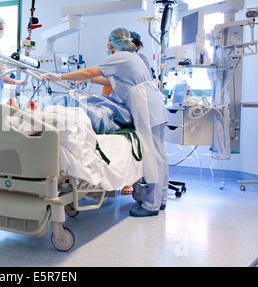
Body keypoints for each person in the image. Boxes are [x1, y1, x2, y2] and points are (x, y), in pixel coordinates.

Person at [40, 28, 169, 217]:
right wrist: (86, 78)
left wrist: (59, 76)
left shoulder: (120, 56)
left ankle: (151, 205)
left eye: (108, 40)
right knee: (159, 153)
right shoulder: (131, 57)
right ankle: (161, 199)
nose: (106, 43)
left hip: (145, 106)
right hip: (152, 103)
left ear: (114, 42)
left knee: (152, 153)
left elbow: (90, 71)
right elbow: (106, 79)